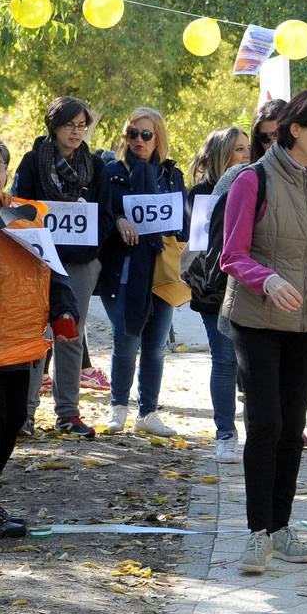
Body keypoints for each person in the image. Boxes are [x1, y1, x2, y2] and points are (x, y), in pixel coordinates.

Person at [220, 90, 307, 574]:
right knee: (265, 425)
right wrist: (268, 279)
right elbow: (232, 255)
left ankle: (281, 528)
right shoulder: (251, 180)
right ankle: (256, 533)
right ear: (295, 128)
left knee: (293, 428)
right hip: (257, 321)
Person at [0, 131, 79, 537]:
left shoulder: (24, 214)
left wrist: (63, 310)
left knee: (14, 418)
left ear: (6, 170)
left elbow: (50, 268)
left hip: (19, 339)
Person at [12, 96, 112, 438]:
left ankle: (68, 413)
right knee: (37, 333)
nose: (77, 131)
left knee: (71, 333)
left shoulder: (96, 166)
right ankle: (23, 414)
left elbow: (106, 214)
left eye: (83, 125)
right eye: (71, 125)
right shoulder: (32, 161)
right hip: (39, 260)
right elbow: (18, 208)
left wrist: (91, 248)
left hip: (81, 263)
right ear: (55, 126)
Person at [100, 107, 187, 437]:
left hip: (162, 268)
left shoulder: (171, 175)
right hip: (122, 270)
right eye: (132, 133)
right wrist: (119, 222)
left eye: (145, 134)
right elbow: (101, 214)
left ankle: (148, 412)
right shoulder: (110, 172)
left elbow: (184, 221)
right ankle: (118, 408)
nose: (138, 139)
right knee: (126, 339)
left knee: (155, 345)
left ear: (158, 137)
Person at [186, 126, 250, 463]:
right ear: (220, 154)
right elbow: (195, 246)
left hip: (251, 287)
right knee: (224, 361)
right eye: (237, 149)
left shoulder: (256, 185)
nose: (244, 156)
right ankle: (225, 432)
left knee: (249, 365)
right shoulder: (201, 193)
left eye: (246, 149)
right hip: (214, 290)